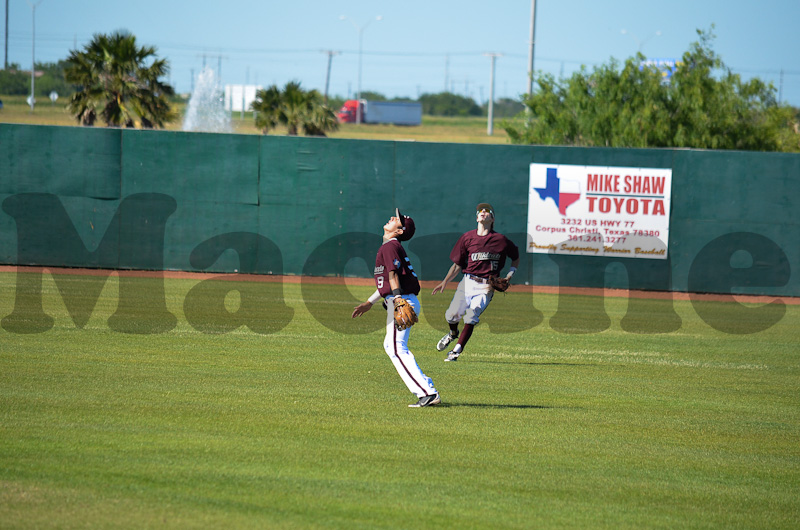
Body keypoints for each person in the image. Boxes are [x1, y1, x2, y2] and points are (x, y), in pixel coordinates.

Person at [352, 208, 440, 407]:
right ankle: (426, 390)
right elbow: (387, 280)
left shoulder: (390, 246)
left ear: (399, 231)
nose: (393, 217)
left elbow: (393, 275)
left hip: (401, 300)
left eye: (397, 219)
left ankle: (427, 392)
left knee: (396, 347)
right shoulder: (391, 246)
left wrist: (398, 300)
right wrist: (370, 302)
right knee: (392, 346)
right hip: (402, 298)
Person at [431, 202, 520, 362]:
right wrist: (445, 281)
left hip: (487, 286)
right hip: (467, 282)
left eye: (487, 211)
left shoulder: (501, 240)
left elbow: (516, 257)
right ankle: (452, 334)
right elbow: (457, 264)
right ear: (476, 217)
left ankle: (456, 351)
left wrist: (509, 275)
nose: (483, 212)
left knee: (471, 316)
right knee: (451, 316)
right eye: (480, 211)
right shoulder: (467, 238)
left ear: (492, 218)